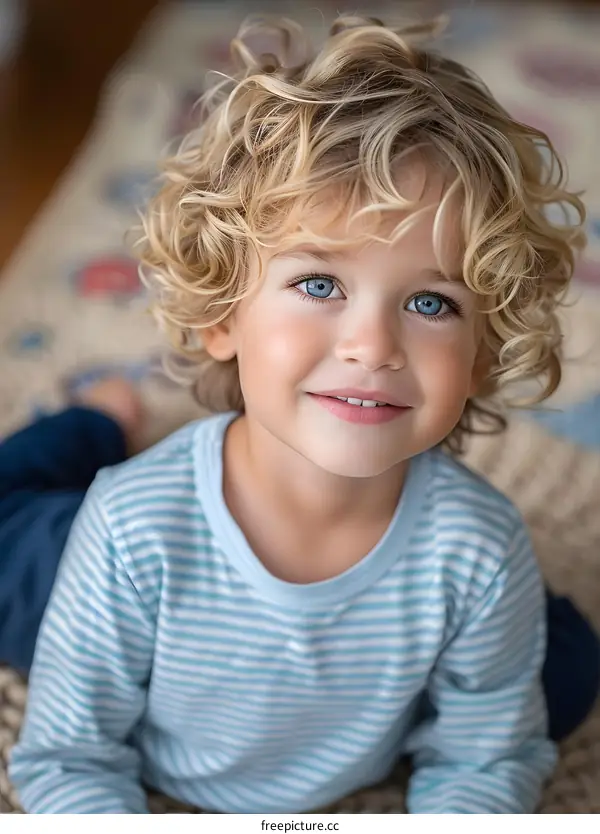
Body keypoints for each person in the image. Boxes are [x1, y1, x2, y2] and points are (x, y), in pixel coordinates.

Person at [8, 14, 600, 814]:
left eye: (431, 301)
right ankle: (91, 425)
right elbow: (67, 761)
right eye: (320, 284)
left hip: (420, 602)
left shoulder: (480, 552)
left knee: (563, 675)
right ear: (220, 314)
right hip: (121, 569)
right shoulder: (127, 530)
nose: (371, 345)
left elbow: (484, 759)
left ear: (482, 356)